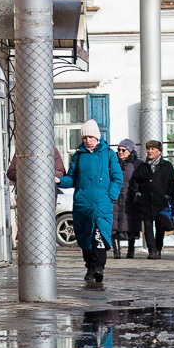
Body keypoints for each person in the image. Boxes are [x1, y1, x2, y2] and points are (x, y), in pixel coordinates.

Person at [58, 119, 124, 285]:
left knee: (99, 235)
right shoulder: (79, 155)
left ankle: (99, 267)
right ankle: (89, 267)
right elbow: (72, 178)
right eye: (85, 137)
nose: (88, 140)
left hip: (102, 203)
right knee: (86, 235)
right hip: (83, 203)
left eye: (91, 137)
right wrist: (59, 181)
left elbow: (117, 178)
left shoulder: (108, 153)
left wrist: (109, 195)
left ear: (97, 137)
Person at [136, 140, 174, 259]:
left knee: (160, 226)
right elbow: (135, 181)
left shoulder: (167, 166)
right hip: (145, 201)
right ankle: (152, 250)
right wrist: (137, 194)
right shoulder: (142, 167)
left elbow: (173, 183)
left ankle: (158, 248)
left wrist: (169, 196)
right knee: (148, 226)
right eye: (148, 148)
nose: (149, 151)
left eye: (152, 149)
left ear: (159, 151)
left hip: (161, 201)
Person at [111, 139, 143, 258]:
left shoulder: (137, 164)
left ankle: (131, 250)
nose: (120, 152)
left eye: (123, 150)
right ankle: (116, 251)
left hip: (130, 198)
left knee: (131, 225)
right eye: (119, 150)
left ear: (130, 151)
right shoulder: (113, 163)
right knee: (114, 226)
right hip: (115, 198)